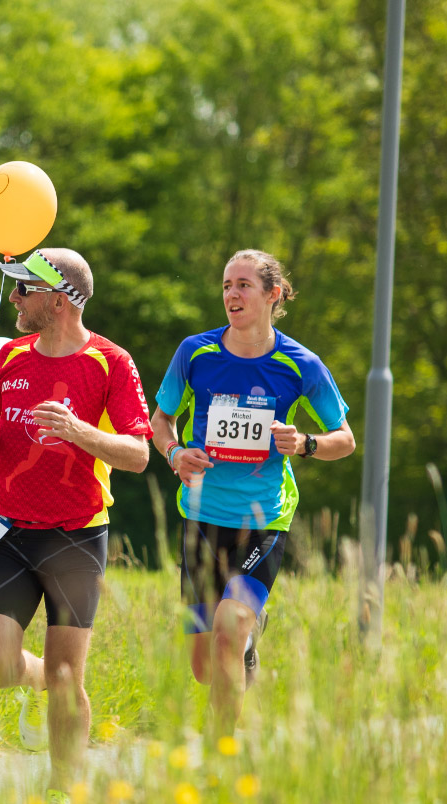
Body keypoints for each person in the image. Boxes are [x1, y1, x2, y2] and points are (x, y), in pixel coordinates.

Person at [0, 247, 151, 798]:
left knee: (72, 681)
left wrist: (79, 431)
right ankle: (44, 678)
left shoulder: (110, 362)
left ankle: (63, 796)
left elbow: (137, 455)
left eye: (23, 288)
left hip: (77, 534)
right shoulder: (11, 356)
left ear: (60, 298)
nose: (14, 298)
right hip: (10, 529)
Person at [151, 249, 355, 736]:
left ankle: (223, 757)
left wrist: (305, 443)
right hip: (201, 516)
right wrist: (176, 454)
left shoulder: (299, 363)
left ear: (272, 295)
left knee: (227, 632)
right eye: (226, 285)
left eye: (243, 285)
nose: (231, 295)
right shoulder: (195, 353)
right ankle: (248, 646)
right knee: (204, 664)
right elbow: (161, 420)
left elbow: (344, 440)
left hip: (263, 522)